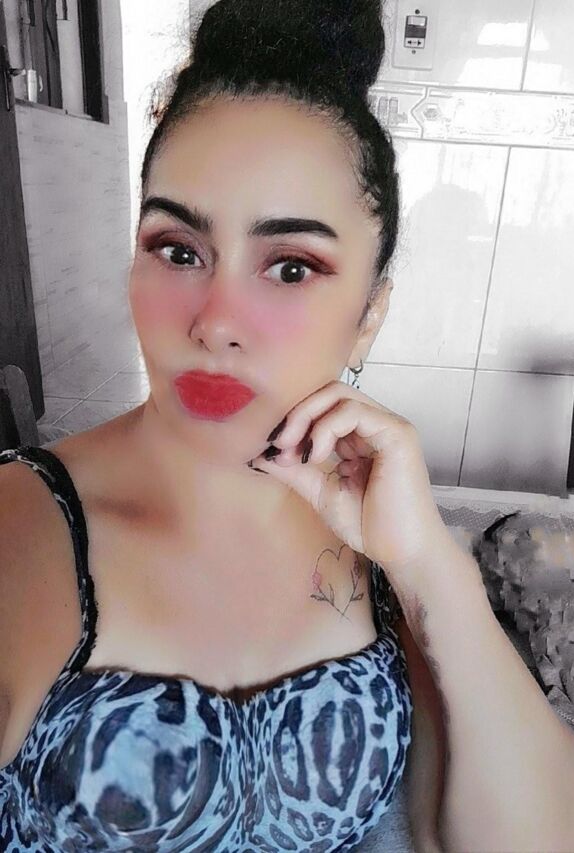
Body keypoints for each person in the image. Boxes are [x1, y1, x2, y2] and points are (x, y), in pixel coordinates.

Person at [0, 1, 447, 850]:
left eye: (290, 266)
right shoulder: (24, 523)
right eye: (178, 250)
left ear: (369, 315)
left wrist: (431, 564)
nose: (214, 322)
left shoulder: (381, 536)